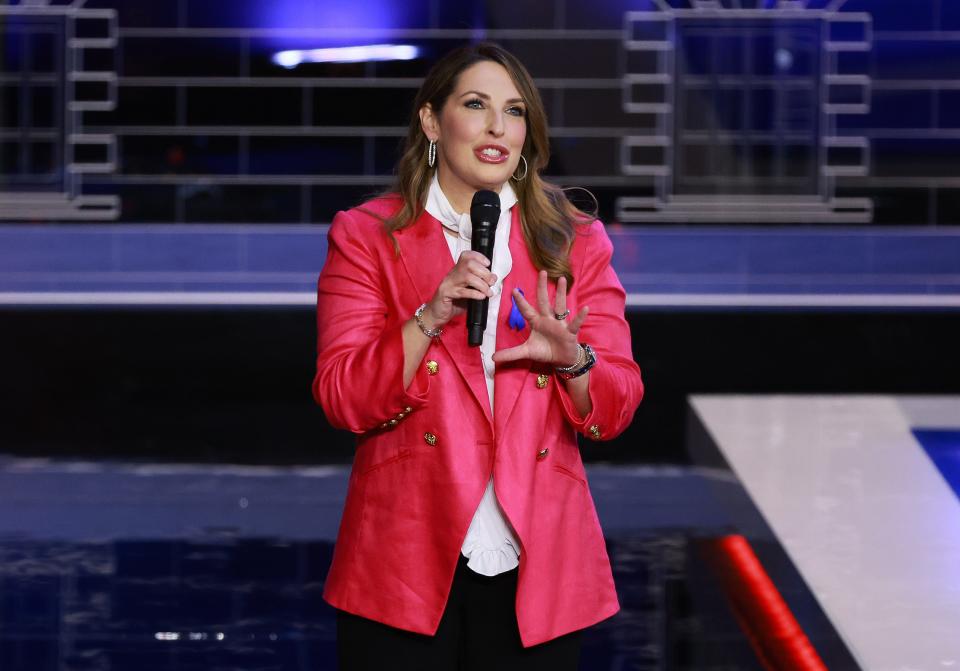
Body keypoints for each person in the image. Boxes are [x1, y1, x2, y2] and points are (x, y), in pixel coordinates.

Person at [312, 42, 644, 671]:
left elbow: (619, 405)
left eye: (515, 111)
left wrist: (574, 360)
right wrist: (428, 318)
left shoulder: (574, 240)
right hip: (402, 563)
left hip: (538, 564)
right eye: (476, 105)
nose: (498, 127)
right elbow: (342, 398)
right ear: (433, 122)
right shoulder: (366, 236)